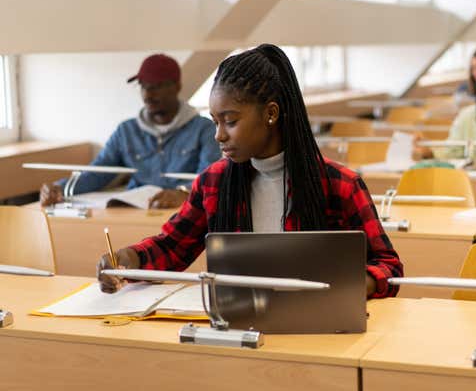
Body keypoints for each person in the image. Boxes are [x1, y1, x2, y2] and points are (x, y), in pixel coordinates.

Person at [97, 44, 403, 298]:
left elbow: (388, 267)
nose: (218, 135)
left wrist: (349, 287)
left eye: (230, 121)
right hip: (239, 328)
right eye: (215, 122)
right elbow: (173, 247)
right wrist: (128, 259)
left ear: (271, 113)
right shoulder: (213, 182)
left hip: (317, 330)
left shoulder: (341, 185)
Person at [39, 54, 220, 209]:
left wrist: (182, 193)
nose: (147, 94)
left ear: (176, 86)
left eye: (155, 86)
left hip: (182, 214)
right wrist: (60, 188)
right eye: (143, 85)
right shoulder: (126, 131)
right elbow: (97, 172)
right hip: (135, 211)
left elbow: (209, 179)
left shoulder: (205, 129)